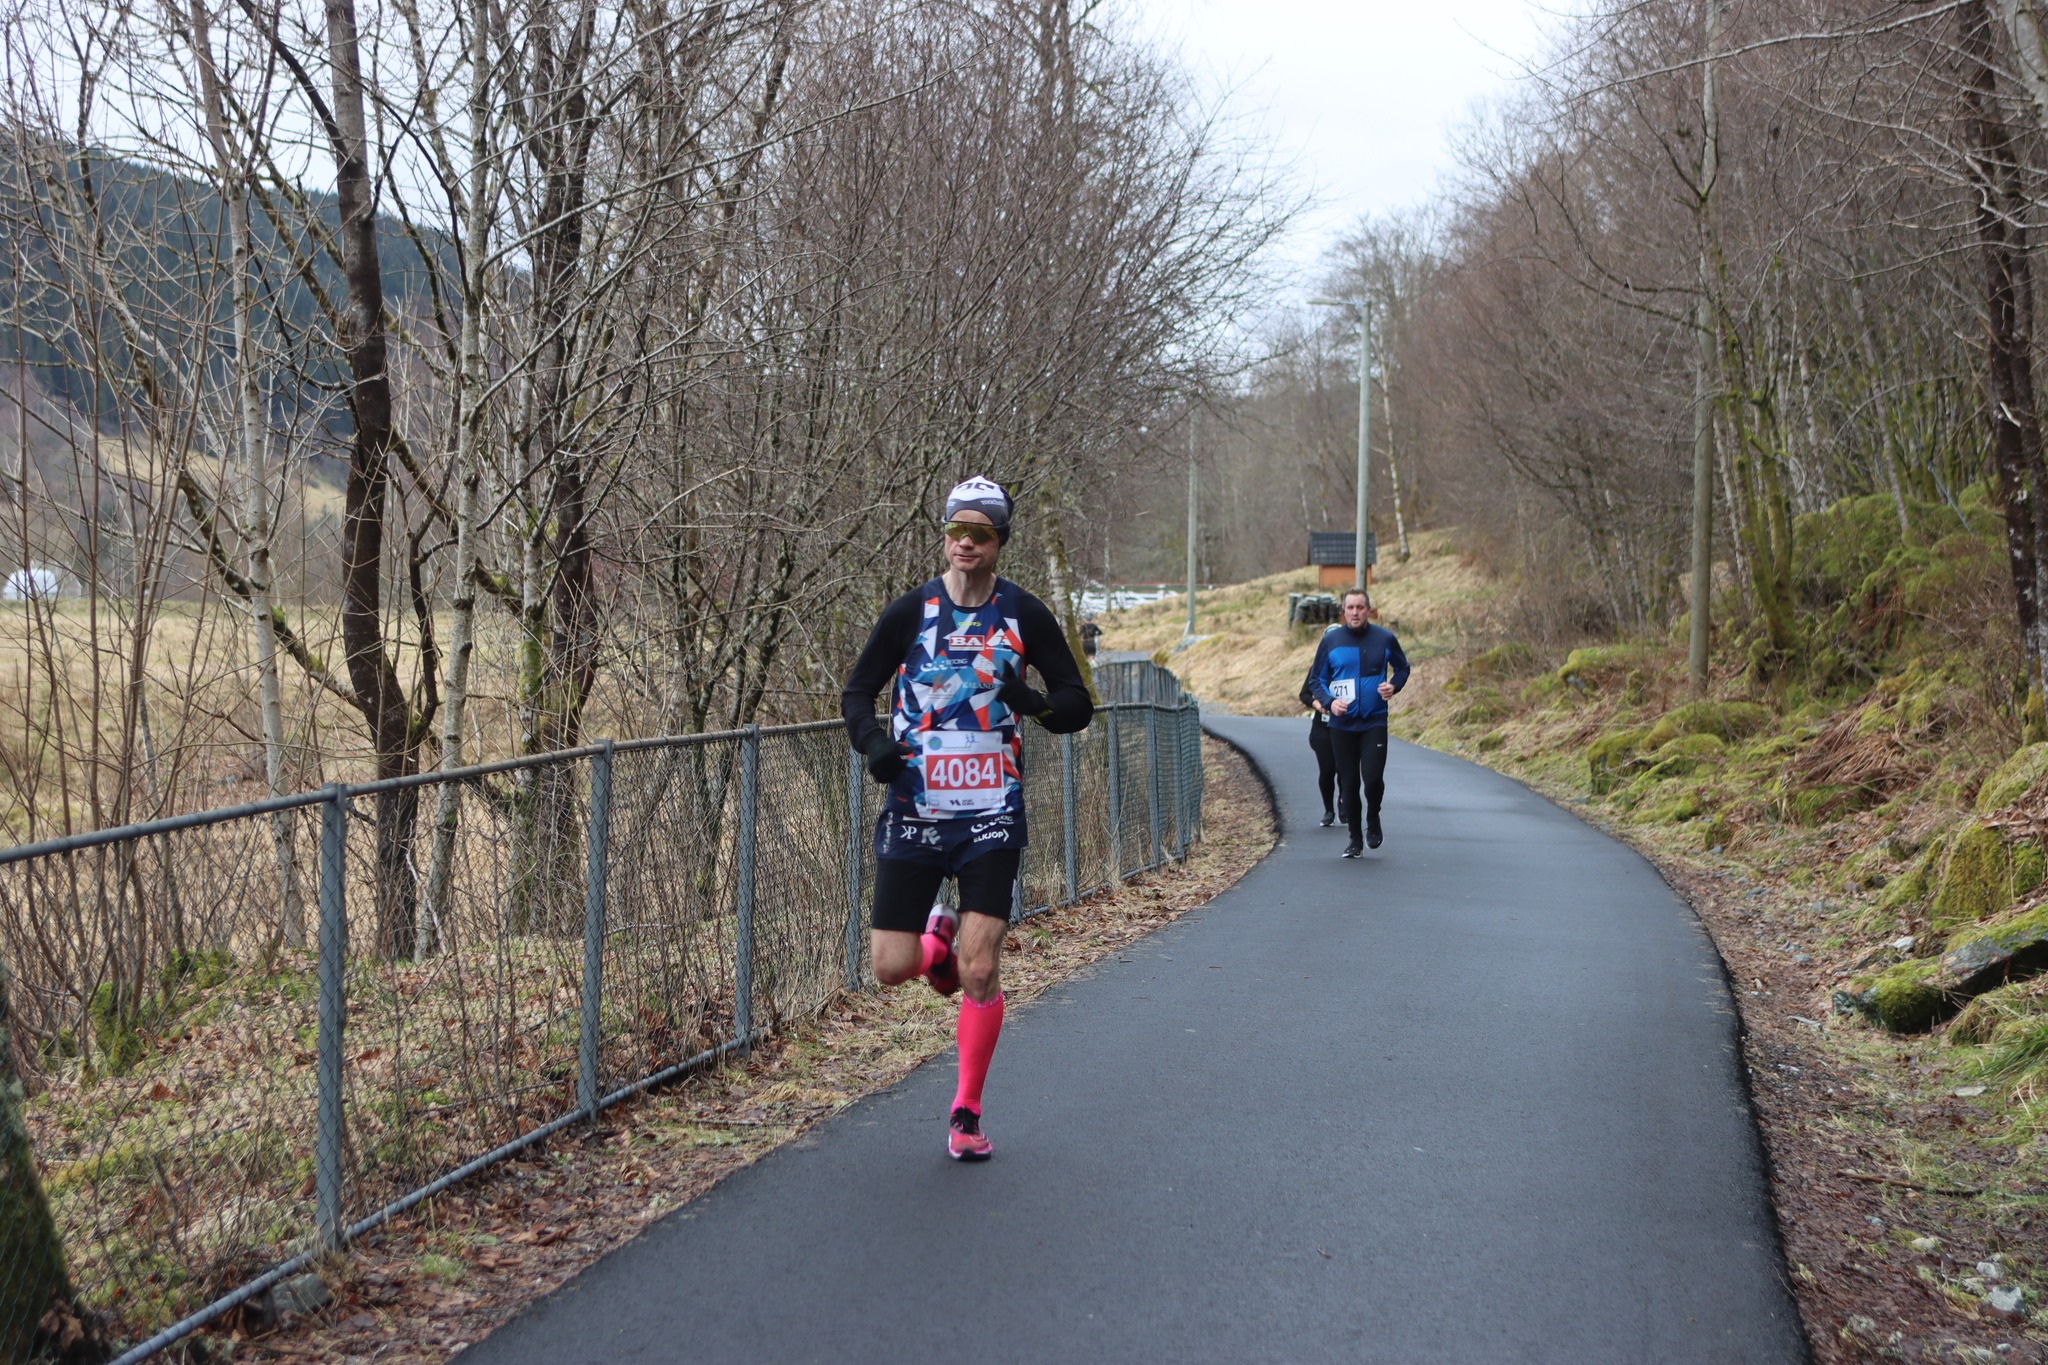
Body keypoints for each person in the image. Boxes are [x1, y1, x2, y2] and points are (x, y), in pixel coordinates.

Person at [842, 476, 1093, 1160]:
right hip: (916, 810)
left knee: (980, 970)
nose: (965, 543)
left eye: (980, 533)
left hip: (991, 812)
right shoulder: (911, 611)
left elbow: (1077, 705)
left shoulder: (1024, 613)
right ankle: (936, 945)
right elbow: (857, 692)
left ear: (1000, 541)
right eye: (956, 530)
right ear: (944, 534)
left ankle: (966, 1112)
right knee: (890, 966)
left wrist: (1031, 701)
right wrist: (874, 744)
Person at [1305, 587, 1410, 858]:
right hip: (1342, 725)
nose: (1355, 612)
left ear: (1368, 610)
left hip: (1374, 721)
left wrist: (1393, 686)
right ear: (1343, 611)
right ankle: (1354, 839)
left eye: (1360, 608)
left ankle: (1373, 817)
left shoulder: (1385, 638)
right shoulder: (1331, 641)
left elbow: (1403, 668)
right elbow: (1316, 680)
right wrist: (1330, 702)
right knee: (1349, 784)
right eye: (1350, 608)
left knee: (1372, 779)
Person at [1298, 634, 1338, 827]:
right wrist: (1316, 704)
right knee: (1327, 769)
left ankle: (1344, 800)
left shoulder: (1352, 666)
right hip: (1322, 728)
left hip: (1347, 727)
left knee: (1345, 769)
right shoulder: (1317, 667)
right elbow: (1304, 694)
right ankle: (1329, 810)